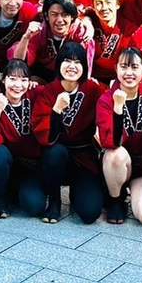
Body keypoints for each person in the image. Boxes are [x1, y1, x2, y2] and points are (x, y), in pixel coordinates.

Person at [33, 42, 106, 224]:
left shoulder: (93, 89)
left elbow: (111, 102)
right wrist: (56, 111)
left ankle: (78, 192)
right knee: (55, 152)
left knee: (90, 213)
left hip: (83, 158)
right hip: (56, 158)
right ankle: (55, 199)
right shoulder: (47, 92)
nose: (72, 66)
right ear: (58, 64)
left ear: (84, 66)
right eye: (67, 61)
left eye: (77, 62)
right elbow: (43, 136)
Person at [0, 59, 49, 219]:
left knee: (35, 207)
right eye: (12, 79)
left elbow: (59, 90)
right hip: (5, 163)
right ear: (3, 79)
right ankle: (0, 198)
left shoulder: (36, 95)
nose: (18, 85)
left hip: (31, 166)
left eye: (23, 80)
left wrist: (87, 81)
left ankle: (17, 190)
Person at [97, 48, 142, 225]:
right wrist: (118, 109)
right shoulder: (106, 99)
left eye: (134, 67)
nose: (129, 73)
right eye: (124, 67)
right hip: (117, 162)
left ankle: (139, 191)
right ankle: (115, 199)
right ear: (116, 69)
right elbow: (110, 143)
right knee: (115, 154)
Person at [12, 0, 94, 83]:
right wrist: (26, 37)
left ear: (72, 17)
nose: (59, 20)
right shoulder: (38, 31)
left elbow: (84, 71)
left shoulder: (83, 33)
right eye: (54, 14)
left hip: (71, 78)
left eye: (65, 15)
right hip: (41, 76)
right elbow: (18, 62)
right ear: (46, 16)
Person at [87, 0, 142, 85]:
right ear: (93, 6)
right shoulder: (89, 26)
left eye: (108, 2)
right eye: (99, 3)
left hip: (127, 82)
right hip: (95, 82)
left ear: (117, 4)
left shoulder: (133, 32)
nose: (104, 8)